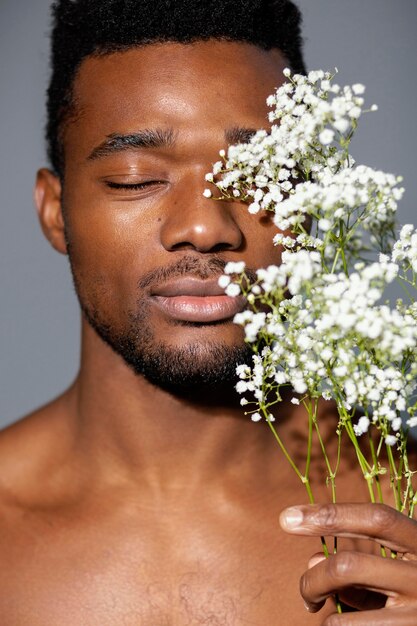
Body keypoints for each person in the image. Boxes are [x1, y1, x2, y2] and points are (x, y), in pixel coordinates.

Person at [1, 0, 417, 623]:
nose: (205, 225)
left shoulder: (403, 514)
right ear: (55, 210)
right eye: (136, 178)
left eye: (260, 176)